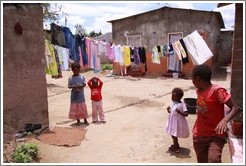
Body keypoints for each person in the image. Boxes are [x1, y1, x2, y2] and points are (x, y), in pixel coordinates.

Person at [191, 64, 240, 163]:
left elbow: (235, 108)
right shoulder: (199, 91)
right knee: (202, 161)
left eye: (192, 78)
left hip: (216, 135)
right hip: (199, 135)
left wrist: (225, 121)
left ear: (197, 79)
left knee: (214, 160)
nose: (192, 81)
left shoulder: (217, 91)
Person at [165, 87, 190, 152]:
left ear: (179, 97)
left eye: (174, 97)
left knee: (174, 135)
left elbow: (186, 114)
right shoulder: (173, 103)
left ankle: (176, 147)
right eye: (172, 96)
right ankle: (176, 145)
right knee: (173, 134)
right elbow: (172, 111)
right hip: (172, 121)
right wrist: (168, 110)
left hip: (178, 122)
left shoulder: (182, 104)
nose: (172, 98)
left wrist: (179, 112)